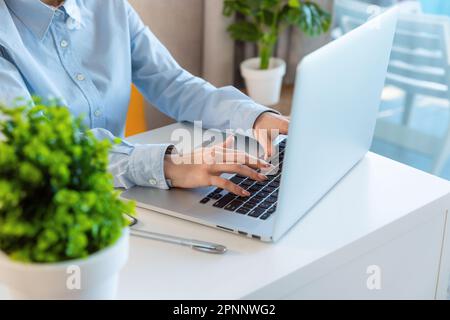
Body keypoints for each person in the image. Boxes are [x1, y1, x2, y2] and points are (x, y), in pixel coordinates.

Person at [0, 0, 289, 197]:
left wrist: (255, 118)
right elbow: (40, 149)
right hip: (34, 209)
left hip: (122, 191)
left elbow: (171, 82)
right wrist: (169, 165)